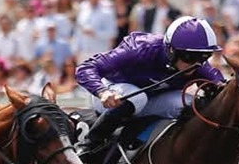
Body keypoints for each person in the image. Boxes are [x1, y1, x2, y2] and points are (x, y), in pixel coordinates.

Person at [74, 16, 225, 155]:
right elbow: (85, 67)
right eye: (190, 57)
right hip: (115, 96)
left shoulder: (198, 65)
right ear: (171, 50)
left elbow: (221, 87)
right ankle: (89, 144)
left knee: (193, 103)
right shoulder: (140, 48)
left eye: (205, 56)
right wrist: (102, 91)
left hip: (150, 101)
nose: (196, 64)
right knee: (138, 98)